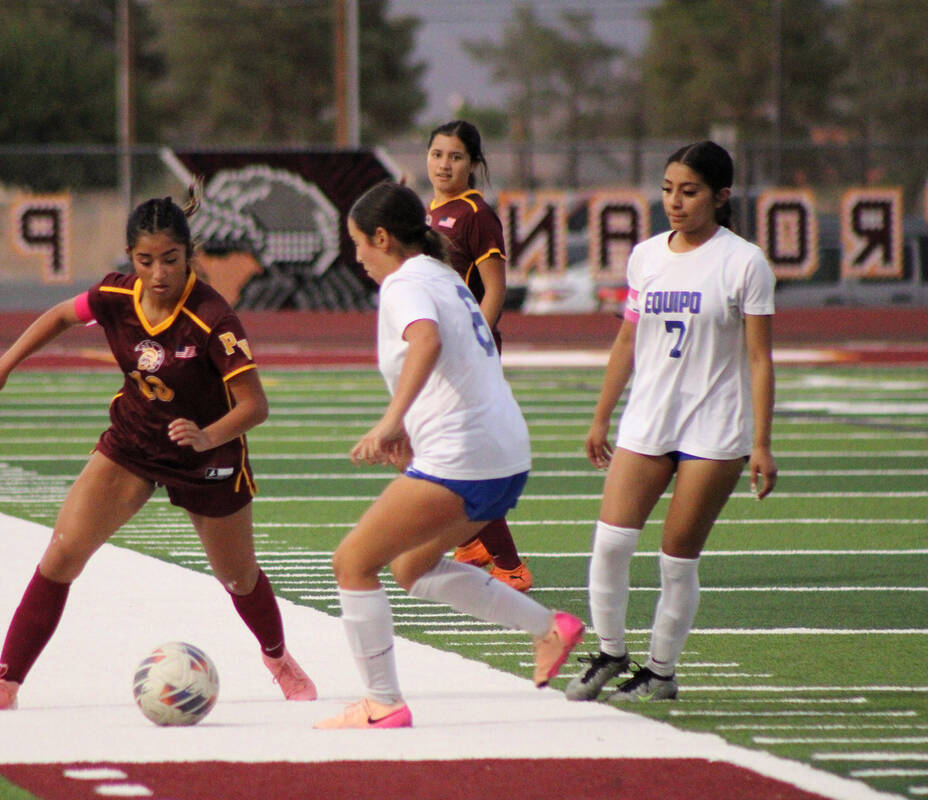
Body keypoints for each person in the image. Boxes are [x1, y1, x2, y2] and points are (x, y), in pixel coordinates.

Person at [0, 191, 316, 711]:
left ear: (189, 254)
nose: (158, 273)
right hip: (134, 442)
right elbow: (59, 315)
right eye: (146, 260)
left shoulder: (213, 319)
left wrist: (207, 436)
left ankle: (277, 658)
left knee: (238, 576)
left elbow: (255, 405)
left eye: (170, 259)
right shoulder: (115, 296)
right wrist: (2, 367)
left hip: (207, 457)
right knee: (61, 554)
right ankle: (4, 684)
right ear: (130, 258)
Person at [314, 181, 584, 729]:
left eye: (358, 243)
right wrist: (410, 432)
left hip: (467, 453)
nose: (357, 257)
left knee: (352, 563)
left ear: (382, 238)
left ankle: (382, 703)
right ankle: (548, 629)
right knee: (411, 566)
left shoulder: (404, 283)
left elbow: (428, 342)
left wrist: (391, 421)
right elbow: (453, 364)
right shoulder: (442, 276)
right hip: (504, 451)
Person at [566, 140, 777, 703]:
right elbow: (627, 340)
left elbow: (760, 358)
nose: (675, 202)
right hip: (649, 419)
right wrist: (600, 417)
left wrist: (761, 443)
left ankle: (661, 673)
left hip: (715, 428)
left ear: (721, 196)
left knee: (676, 560)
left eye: (690, 192)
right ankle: (610, 652)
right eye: (667, 190)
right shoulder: (646, 256)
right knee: (610, 545)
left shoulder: (745, 262)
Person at [425, 119, 532, 592]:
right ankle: (471, 545)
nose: (444, 164)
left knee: (464, 459)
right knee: (447, 451)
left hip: (468, 353)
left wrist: (474, 345)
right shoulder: (429, 212)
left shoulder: (476, 214)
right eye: (437, 154)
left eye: (456, 156)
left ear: (473, 164)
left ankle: (510, 566)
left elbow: (495, 291)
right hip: (440, 349)